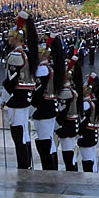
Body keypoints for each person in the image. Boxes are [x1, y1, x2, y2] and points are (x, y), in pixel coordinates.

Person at [0, 11, 38, 169]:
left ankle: (23, 163)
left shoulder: (16, 55)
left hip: (17, 97)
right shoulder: (26, 53)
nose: (8, 40)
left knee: (18, 131)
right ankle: (25, 162)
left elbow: (11, 80)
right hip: (25, 97)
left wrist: (3, 98)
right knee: (24, 132)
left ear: (16, 38)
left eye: (10, 37)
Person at [31, 34, 64, 170]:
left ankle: (48, 168)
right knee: (49, 140)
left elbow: (37, 92)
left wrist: (31, 106)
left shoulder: (42, 70)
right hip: (50, 107)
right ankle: (52, 167)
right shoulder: (50, 68)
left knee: (44, 140)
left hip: (43, 108)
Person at [56, 56, 82, 171]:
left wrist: (55, 124)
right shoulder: (72, 90)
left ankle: (71, 172)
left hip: (66, 125)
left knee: (68, 153)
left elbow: (62, 112)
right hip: (71, 125)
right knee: (69, 151)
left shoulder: (66, 92)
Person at [79, 75, 99, 172]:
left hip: (86, 134)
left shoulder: (86, 104)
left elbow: (82, 121)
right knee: (91, 157)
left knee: (87, 159)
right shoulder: (94, 102)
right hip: (92, 134)